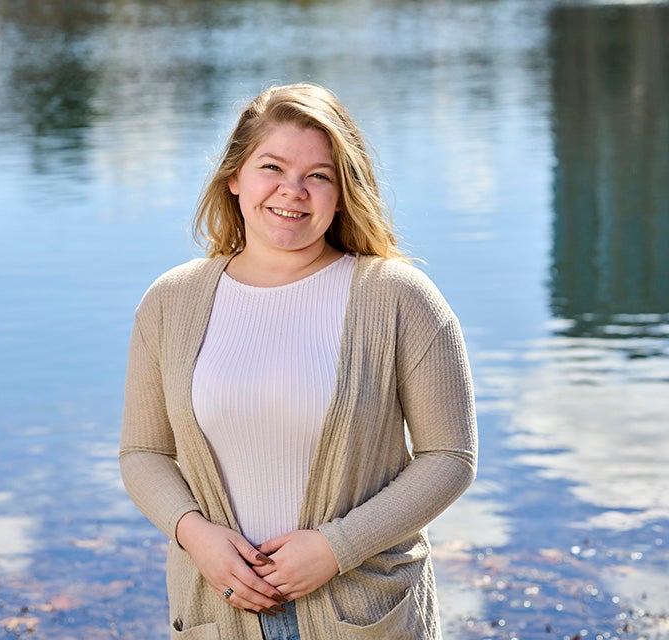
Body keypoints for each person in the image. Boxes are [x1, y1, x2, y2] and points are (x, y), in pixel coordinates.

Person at [119, 82, 477, 640]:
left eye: (319, 175)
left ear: (342, 192)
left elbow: (449, 457)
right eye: (272, 167)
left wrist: (337, 548)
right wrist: (196, 536)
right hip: (219, 609)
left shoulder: (401, 298)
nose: (293, 191)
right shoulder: (170, 302)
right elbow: (144, 452)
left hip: (363, 610)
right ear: (234, 177)